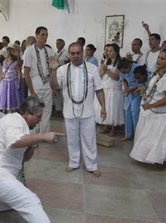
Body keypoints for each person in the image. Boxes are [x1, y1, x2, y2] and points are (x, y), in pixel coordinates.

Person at [50, 42, 106, 177]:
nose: (75, 56)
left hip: (88, 111)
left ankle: (91, 165)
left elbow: (99, 89)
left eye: (78, 53)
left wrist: (104, 107)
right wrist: (53, 71)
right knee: (72, 139)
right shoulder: (62, 69)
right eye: (72, 53)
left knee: (89, 139)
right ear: (69, 54)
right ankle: (73, 162)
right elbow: (54, 86)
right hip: (69, 111)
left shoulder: (92, 68)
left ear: (83, 53)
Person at [130, 49, 166, 164]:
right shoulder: (157, 73)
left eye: (162, 58)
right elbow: (155, 88)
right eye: (158, 57)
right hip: (151, 109)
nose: (159, 60)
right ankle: (147, 156)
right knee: (149, 135)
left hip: (161, 112)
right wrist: (143, 89)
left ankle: (158, 159)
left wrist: (151, 105)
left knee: (159, 137)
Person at [23, 26, 55, 134]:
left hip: (48, 84)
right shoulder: (29, 51)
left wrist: (53, 86)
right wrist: (31, 91)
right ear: (36, 36)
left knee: (47, 111)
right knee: (34, 111)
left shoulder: (50, 50)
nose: (45, 37)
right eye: (42, 35)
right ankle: (33, 136)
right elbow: (26, 72)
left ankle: (44, 134)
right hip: (35, 84)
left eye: (46, 35)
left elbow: (53, 69)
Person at [98, 43, 124, 136]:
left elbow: (116, 77)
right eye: (107, 51)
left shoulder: (119, 62)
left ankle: (113, 128)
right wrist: (102, 68)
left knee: (113, 108)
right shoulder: (105, 61)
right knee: (106, 107)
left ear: (116, 52)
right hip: (105, 87)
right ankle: (106, 126)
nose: (108, 52)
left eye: (111, 51)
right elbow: (100, 75)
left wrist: (107, 70)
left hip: (114, 88)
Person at [118, 60, 146, 141]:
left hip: (137, 92)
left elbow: (141, 83)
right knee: (127, 112)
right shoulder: (122, 70)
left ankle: (137, 136)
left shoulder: (137, 68)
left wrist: (129, 90)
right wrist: (125, 87)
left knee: (135, 113)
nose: (124, 73)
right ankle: (128, 134)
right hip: (128, 93)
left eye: (125, 71)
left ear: (128, 66)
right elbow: (122, 79)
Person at [0, 47, 23, 113]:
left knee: (12, 98)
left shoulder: (16, 62)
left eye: (6, 52)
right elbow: (3, 72)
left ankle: (12, 112)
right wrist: (2, 76)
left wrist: (19, 83)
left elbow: (19, 73)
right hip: (5, 82)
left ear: (9, 53)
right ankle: (5, 112)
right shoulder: (4, 61)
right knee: (4, 98)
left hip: (13, 82)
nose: (5, 53)